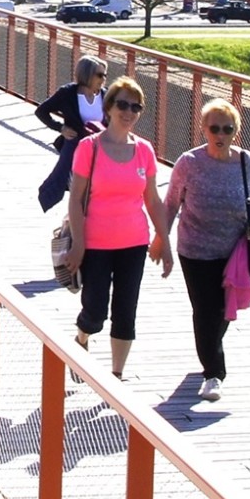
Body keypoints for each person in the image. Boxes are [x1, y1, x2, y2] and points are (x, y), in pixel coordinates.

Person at [62, 75, 171, 380]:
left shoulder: (145, 151)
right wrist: (79, 244)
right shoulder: (89, 147)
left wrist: (165, 242)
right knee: (95, 312)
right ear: (108, 108)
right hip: (96, 243)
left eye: (135, 107)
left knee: (126, 312)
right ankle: (82, 338)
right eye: (122, 104)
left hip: (134, 243)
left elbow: (153, 199)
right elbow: (76, 200)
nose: (128, 112)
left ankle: (116, 377)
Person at [164, 99, 250, 403]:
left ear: (236, 131)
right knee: (206, 310)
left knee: (224, 312)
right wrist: (161, 238)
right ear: (204, 129)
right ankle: (213, 374)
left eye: (227, 129)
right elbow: (170, 203)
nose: (221, 134)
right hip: (195, 249)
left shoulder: (247, 162)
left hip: (234, 251)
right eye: (214, 128)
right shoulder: (189, 163)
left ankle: (209, 348)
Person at [34, 56, 108, 211]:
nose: (104, 79)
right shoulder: (67, 93)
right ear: (87, 74)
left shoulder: (105, 95)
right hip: (76, 151)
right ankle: (73, 228)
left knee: (98, 193)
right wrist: (60, 128)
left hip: (101, 152)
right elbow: (41, 111)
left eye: (105, 75)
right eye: (100, 75)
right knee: (79, 193)